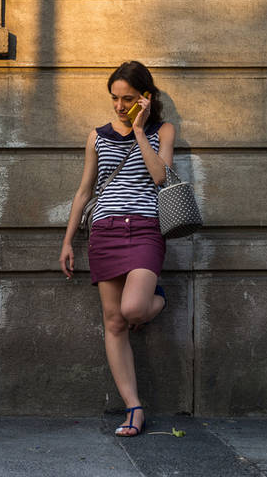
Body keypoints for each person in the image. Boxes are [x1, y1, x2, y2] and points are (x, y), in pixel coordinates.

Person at [59, 60, 175, 437]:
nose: (120, 106)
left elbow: (161, 177)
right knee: (114, 322)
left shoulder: (163, 131)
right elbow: (84, 191)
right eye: (115, 98)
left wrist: (140, 131)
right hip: (105, 231)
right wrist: (67, 240)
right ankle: (134, 408)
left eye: (128, 99)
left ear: (146, 98)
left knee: (133, 308)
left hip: (145, 228)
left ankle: (158, 300)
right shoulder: (97, 136)